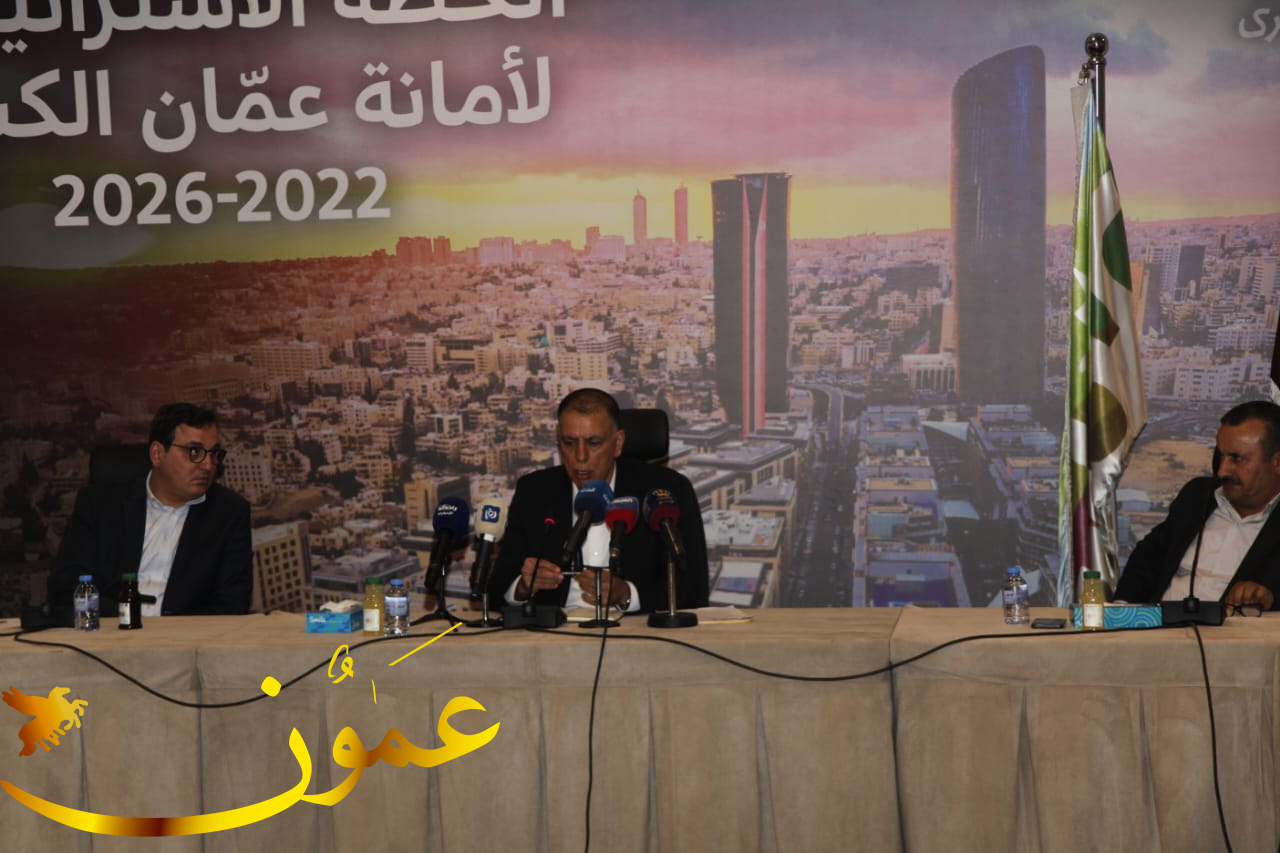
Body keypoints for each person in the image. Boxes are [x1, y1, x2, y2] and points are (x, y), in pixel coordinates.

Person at [487, 388, 709, 614]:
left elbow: (693, 589)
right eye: (569, 442)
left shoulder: (665, 491)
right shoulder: (535, 491)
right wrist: (523, 588)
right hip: (554, 629)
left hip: (636, 628)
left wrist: (627, 594)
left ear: (618, 443)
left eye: (593, 443)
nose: (580, 456)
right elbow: (496, 591)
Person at [50, 403, 252, 616]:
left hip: (185, 633)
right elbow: (66, 587)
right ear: (157, 454)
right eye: (194, 452)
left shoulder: (229, 513)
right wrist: (128, 615)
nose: (208, 465)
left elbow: (232, 603)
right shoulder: (100, 505)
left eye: (214, 454)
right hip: (112, 628)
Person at [1114, 399, 1280, 611]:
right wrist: (1122, 611)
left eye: (1236, 458)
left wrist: (1271, 599)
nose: (1222, 470)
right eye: (1220, 456)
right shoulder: (1197, 496)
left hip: (1235, 632)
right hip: (1158, 627)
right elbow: (1147, 559)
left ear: (1277, 462)